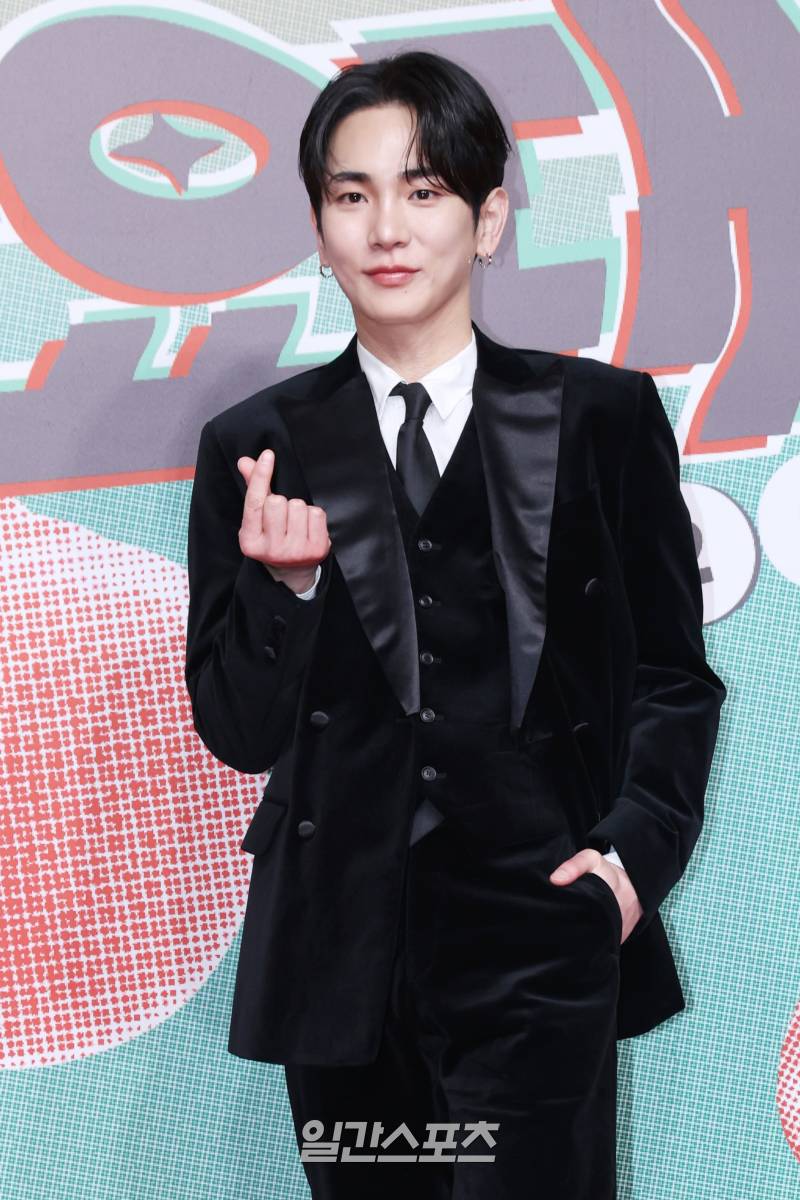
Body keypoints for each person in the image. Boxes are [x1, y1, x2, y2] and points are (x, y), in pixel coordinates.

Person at [184, 49, 727, 1200]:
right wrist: (284, 591)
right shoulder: (254, 446)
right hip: (338, 953)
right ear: (319, 227)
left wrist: (626, 863)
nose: (386, 227)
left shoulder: (599, 419)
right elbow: (236, 728)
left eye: (422, 190)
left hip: (540, 931)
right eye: (352, 194)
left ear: (485, 220)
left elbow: (673, 676)